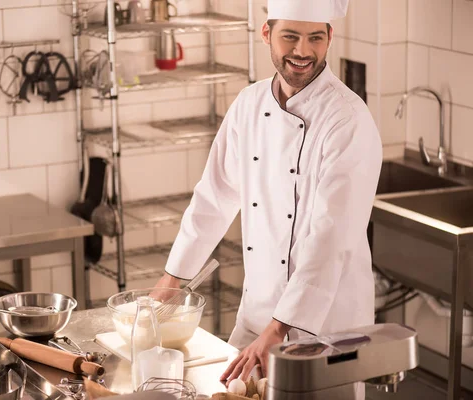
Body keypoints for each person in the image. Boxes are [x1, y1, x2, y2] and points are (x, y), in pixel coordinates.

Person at [154, 0, 382, 385]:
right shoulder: (249, 104)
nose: (302, 51)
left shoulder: (348, 119)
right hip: (259, 313)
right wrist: (172, 278)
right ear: (266, 35)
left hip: (325, 325)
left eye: (314, 38)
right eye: (290, 36)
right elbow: (215, 196)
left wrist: (278, 330)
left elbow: (332, 237)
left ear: (330, 37)